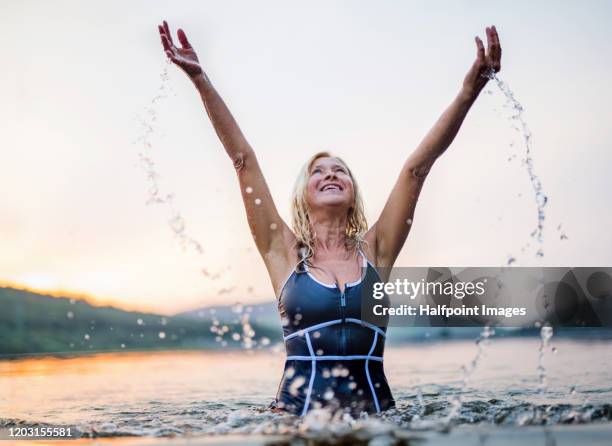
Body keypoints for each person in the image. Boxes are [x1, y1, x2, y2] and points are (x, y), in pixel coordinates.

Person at [158, 20, 502, 416]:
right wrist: (201, 80)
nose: (331, 174)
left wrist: (468, 92)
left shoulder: (377, 252)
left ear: (353, 193)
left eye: (340, 170)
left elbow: (416, 170)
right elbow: (243, 161)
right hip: (295, 423)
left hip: (378, 422)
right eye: (318, 171)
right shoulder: (283, 254)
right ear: (304, 196)